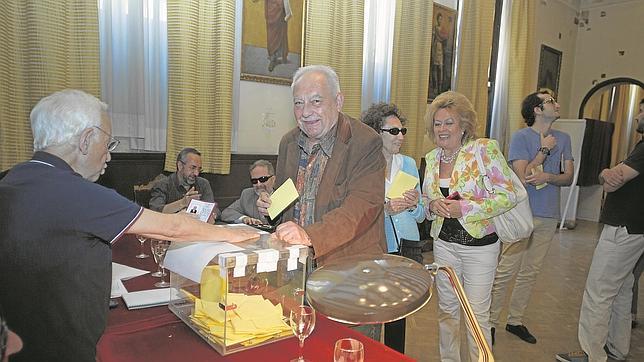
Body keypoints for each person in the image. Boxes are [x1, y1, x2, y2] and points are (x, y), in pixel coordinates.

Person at [0, 89, 258, 361]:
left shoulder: (10, 180)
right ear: (87, 139)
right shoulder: (76, 192)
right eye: (108, 145)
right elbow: (170, 228)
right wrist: (231, 233)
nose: (109, 157)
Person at [423, 91, 518, 362]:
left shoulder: (484, 150)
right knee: (447, 312)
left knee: (477, 316)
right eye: (437, 123)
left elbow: (507, 195)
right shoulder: (432, 158)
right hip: (443, 246)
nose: (442, 129)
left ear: (463, 125)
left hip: (480, 248)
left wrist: (464, 208)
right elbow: (428, 197)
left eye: (448, 122)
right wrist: (432, 205)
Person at [556, 98, 644, 362]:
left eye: (641, 110)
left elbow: (613, 180)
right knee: (622, 287)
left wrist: (607, 173)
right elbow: (610, 178)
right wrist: (608, 174)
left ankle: (591, 354)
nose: (638, 114)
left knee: (599, 291)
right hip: (635, 227)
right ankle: (617, 347)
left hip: (624, 226)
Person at [489, 91, 574, 345]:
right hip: (521, 214)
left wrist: (548, 177)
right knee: (506, 269)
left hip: (548, 213)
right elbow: (523, 175)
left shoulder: (565, 138)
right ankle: (490, 322)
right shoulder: (521, 137)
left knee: (531, 271)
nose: (557, 104)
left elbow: (568, 177)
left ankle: (515, 320)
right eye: (550, 102)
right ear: (537, 110)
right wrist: (544, 150)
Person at [361, 102, 424, 353]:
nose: (401, 136)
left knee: (400, 312)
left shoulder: (408, 164)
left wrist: (412, 205)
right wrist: (385, 209)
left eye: (403, 131)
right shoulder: (365, 166)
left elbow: (420, 216)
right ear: (377, 133)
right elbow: (360, 212)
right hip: (378, 246)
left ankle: (395, 356)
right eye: (394, 131)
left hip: (407, 245)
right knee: (376, 309)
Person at [149, 147, 219, 220]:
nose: (196, 173)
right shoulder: (163, 185)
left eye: (199, 169)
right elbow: (156, 213)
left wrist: (213, 216)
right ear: (180, 166)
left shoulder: (203, 184)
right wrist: (183, 202)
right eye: (193, 168)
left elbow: (213, 210)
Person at [221, 159, 276, 225]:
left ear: (273, 179)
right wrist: (244, 219)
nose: (259, 184)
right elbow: (226, 213)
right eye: (254, 181)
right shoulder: (247, 194)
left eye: (263, 179)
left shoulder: (283, 196)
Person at [254, 0, 291, 72]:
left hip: (279, 8)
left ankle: (277, 56)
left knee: (281, 31)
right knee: (271, 34)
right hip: (270, 9)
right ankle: (273, 55)